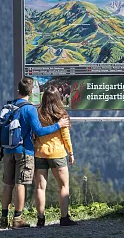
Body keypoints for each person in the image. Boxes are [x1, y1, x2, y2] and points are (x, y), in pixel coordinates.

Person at [0, 77, 71, 229]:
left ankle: (4, 217)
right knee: (20, 184)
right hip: (25, 151)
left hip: (8, 150)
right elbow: (39, 131)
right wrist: (58, 125)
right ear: (31, 92)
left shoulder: (10, 105)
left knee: (8, 185)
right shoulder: (30, 109)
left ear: (18, 90)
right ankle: (17, 219)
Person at [33, 85, 78, 227]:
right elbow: (66, 136)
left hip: (40, 153)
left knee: (40, 187)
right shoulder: (62, 115)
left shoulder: (38, 112)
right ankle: (64, 218)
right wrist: (70, 152)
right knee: (63, 186)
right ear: (58, 98)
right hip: (57, 154)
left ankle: (40, 219)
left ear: (44, 98)